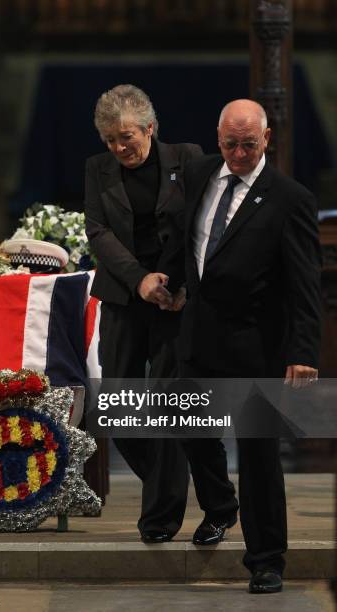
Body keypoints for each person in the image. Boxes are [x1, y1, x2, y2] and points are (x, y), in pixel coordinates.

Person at [85, 84, 238, 543]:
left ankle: (163, 517)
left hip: (178, 300)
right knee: (119, 409)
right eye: (110, 139)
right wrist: (140, 279)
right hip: (124, 297)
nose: (119, 147)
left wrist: (183, 285)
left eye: (126, 136)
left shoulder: (188, 158)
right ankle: (182, 492)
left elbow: (210, 222)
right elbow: (98, 231)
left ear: (150, 128)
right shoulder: (97, 169)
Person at [179, 99, 322, 593]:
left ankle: (266, 560)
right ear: (217, 139)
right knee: (188, 429)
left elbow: (306, 285)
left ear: (267, 140)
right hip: (198, 338)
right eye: (230, 144)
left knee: (259, 456)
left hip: (257, 345)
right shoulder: (198, 175)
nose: (238, 154)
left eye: (249, 144)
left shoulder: (289, 198)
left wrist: (303, 352)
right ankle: (221, 506)